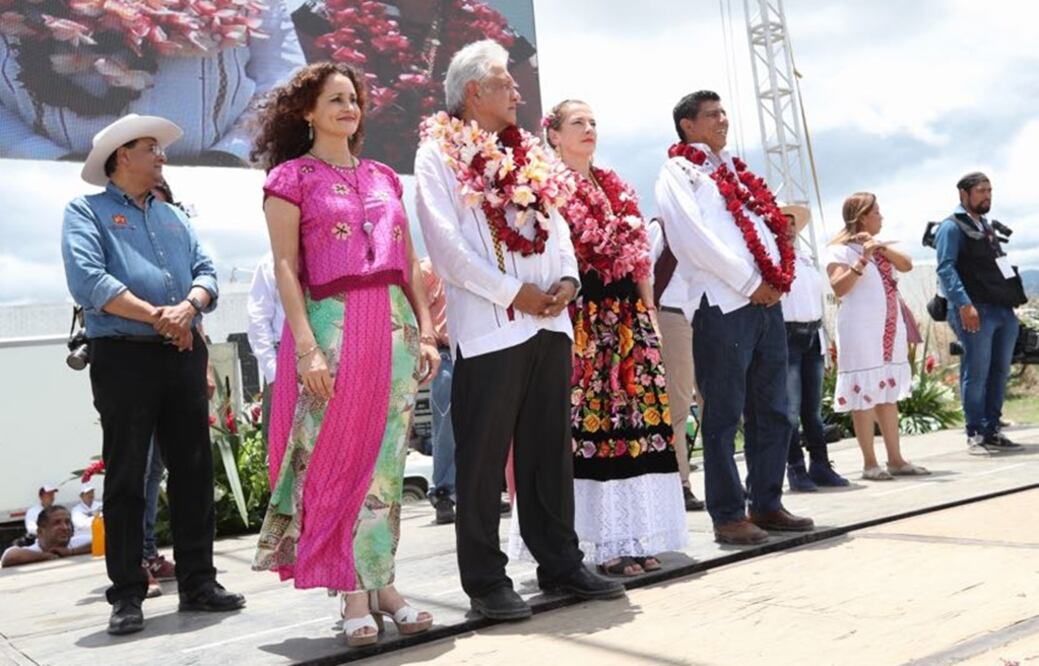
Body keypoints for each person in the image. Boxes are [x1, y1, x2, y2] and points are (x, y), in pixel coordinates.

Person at [415, 40, 625, 621]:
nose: (517, 92)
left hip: (551, 323)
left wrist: (566, 281)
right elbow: (447, 249)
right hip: (489, 329)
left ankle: (561, 563)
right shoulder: (438, 155)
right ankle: (486, 583)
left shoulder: (530, 153)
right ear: (474, 92)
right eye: (506, 83)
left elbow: (557, 230)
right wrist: (516, 295)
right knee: (481, 464)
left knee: (548, 455)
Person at [250, 62, 441, 648]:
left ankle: (380, 582)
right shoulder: (290, 178)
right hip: (331, 327)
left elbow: (408, 261)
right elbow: (286, 267)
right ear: (307, 110)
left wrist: (428, 330)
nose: (348, 108)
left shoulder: (385, 175)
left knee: (387, 463)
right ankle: (353, 592)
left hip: (396, 327)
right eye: (335, 99)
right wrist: (306, 347)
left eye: (353, 99)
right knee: (336, 458)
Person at [61, 114, 245, 636]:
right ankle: (126, 594)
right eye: (151, 148)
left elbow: (207, 271)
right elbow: (89, 281)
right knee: (126, 476)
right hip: (122, 356)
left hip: (180, 353)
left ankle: (199, 582)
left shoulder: (175, 218)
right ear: (122, 156)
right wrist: (161, 317)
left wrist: (188, 308)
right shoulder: (85, 212)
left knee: (193, 470)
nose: (162, 155)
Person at [655, 90, 814, 545]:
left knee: (774, 410)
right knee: (723, 414)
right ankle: (727, 514)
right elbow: (692, 239)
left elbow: (760, 226)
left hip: (765, 301)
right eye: (711, 115)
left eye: (724, 112)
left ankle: (766, 502)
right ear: (687, 124)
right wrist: (749, 282)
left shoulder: (735, 172)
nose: (722, 120)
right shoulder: (678, 171)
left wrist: (774, 269)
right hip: (721, 304)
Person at [541, 99, 687, 576]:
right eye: (577, 122)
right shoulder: (546, 185)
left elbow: (639, 258)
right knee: (593, 428)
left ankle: (635, 536)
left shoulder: (613, 186)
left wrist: (647, 316)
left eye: (593, 122)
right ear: (554, 135)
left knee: (635, 429)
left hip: (628, 317)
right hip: (584, 317)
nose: (588, 129)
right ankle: (600, 543)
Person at [0, 1, 303, 164]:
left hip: (215, 189)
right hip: (40, 187)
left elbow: (285, 82)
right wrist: (41, 157)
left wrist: (232, 155)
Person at [825, 193, 930, 480]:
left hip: (888, 327)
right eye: (877, 213)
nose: (881, 217)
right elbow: (839, 287)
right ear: (862, 217)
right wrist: (863, 259)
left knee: (887, 393)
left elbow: (907, 265)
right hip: (859, 329)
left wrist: (879, 248)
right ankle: (870, 463)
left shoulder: (883, 247)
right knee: (863, 394)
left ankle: (896, 459)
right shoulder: (840, 251)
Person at [935, 172, 1028, 455]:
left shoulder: (986, 226)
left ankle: (992, 429)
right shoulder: (951, 227)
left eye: (990, 190)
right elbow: (946, 268)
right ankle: (975, 433)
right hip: (975, 310)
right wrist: (964, 304)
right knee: (976, 372)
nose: (987, 196)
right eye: (980, 191)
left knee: (999, 372)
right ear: (964, 194)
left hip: (1002, 310)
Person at [779, 205, 850, 491]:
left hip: (812, 332)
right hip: (787, 334)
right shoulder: (770, 258)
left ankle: (820, 464)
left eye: (792, 224)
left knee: (812, 408)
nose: (789, 229)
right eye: (783, 223)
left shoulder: (805, 257)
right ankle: (795, 469)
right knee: (791, 409)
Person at [646, 218, 706, 511]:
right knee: (679, 404)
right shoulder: (662, 226)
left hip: (707, 315)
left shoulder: (707, 224)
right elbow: (646, 274)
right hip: (672, 314)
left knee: (714, 403)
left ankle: (723, 480)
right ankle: (680, 483)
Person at [419, 257, 458, 525]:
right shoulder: (429, 267)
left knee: (480, 424)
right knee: (445, 423)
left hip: (474, 349)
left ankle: (472, 490)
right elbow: (408, 297)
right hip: (444, 352)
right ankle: (443, 492)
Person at [246, 253, 286, 444]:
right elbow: (258, 319)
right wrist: (273, 373)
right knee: (280, 443)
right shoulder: (270, 263)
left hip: (328, 356)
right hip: (282, 359)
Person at [2, 507, 91, 568]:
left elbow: (103, 541)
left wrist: (71, 552)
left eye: (67, 522)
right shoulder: (33, 551)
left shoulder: (76, 543)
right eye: (57, 523)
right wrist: (48, 556)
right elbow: (9, 557)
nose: (65, 527)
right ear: (40, 532)